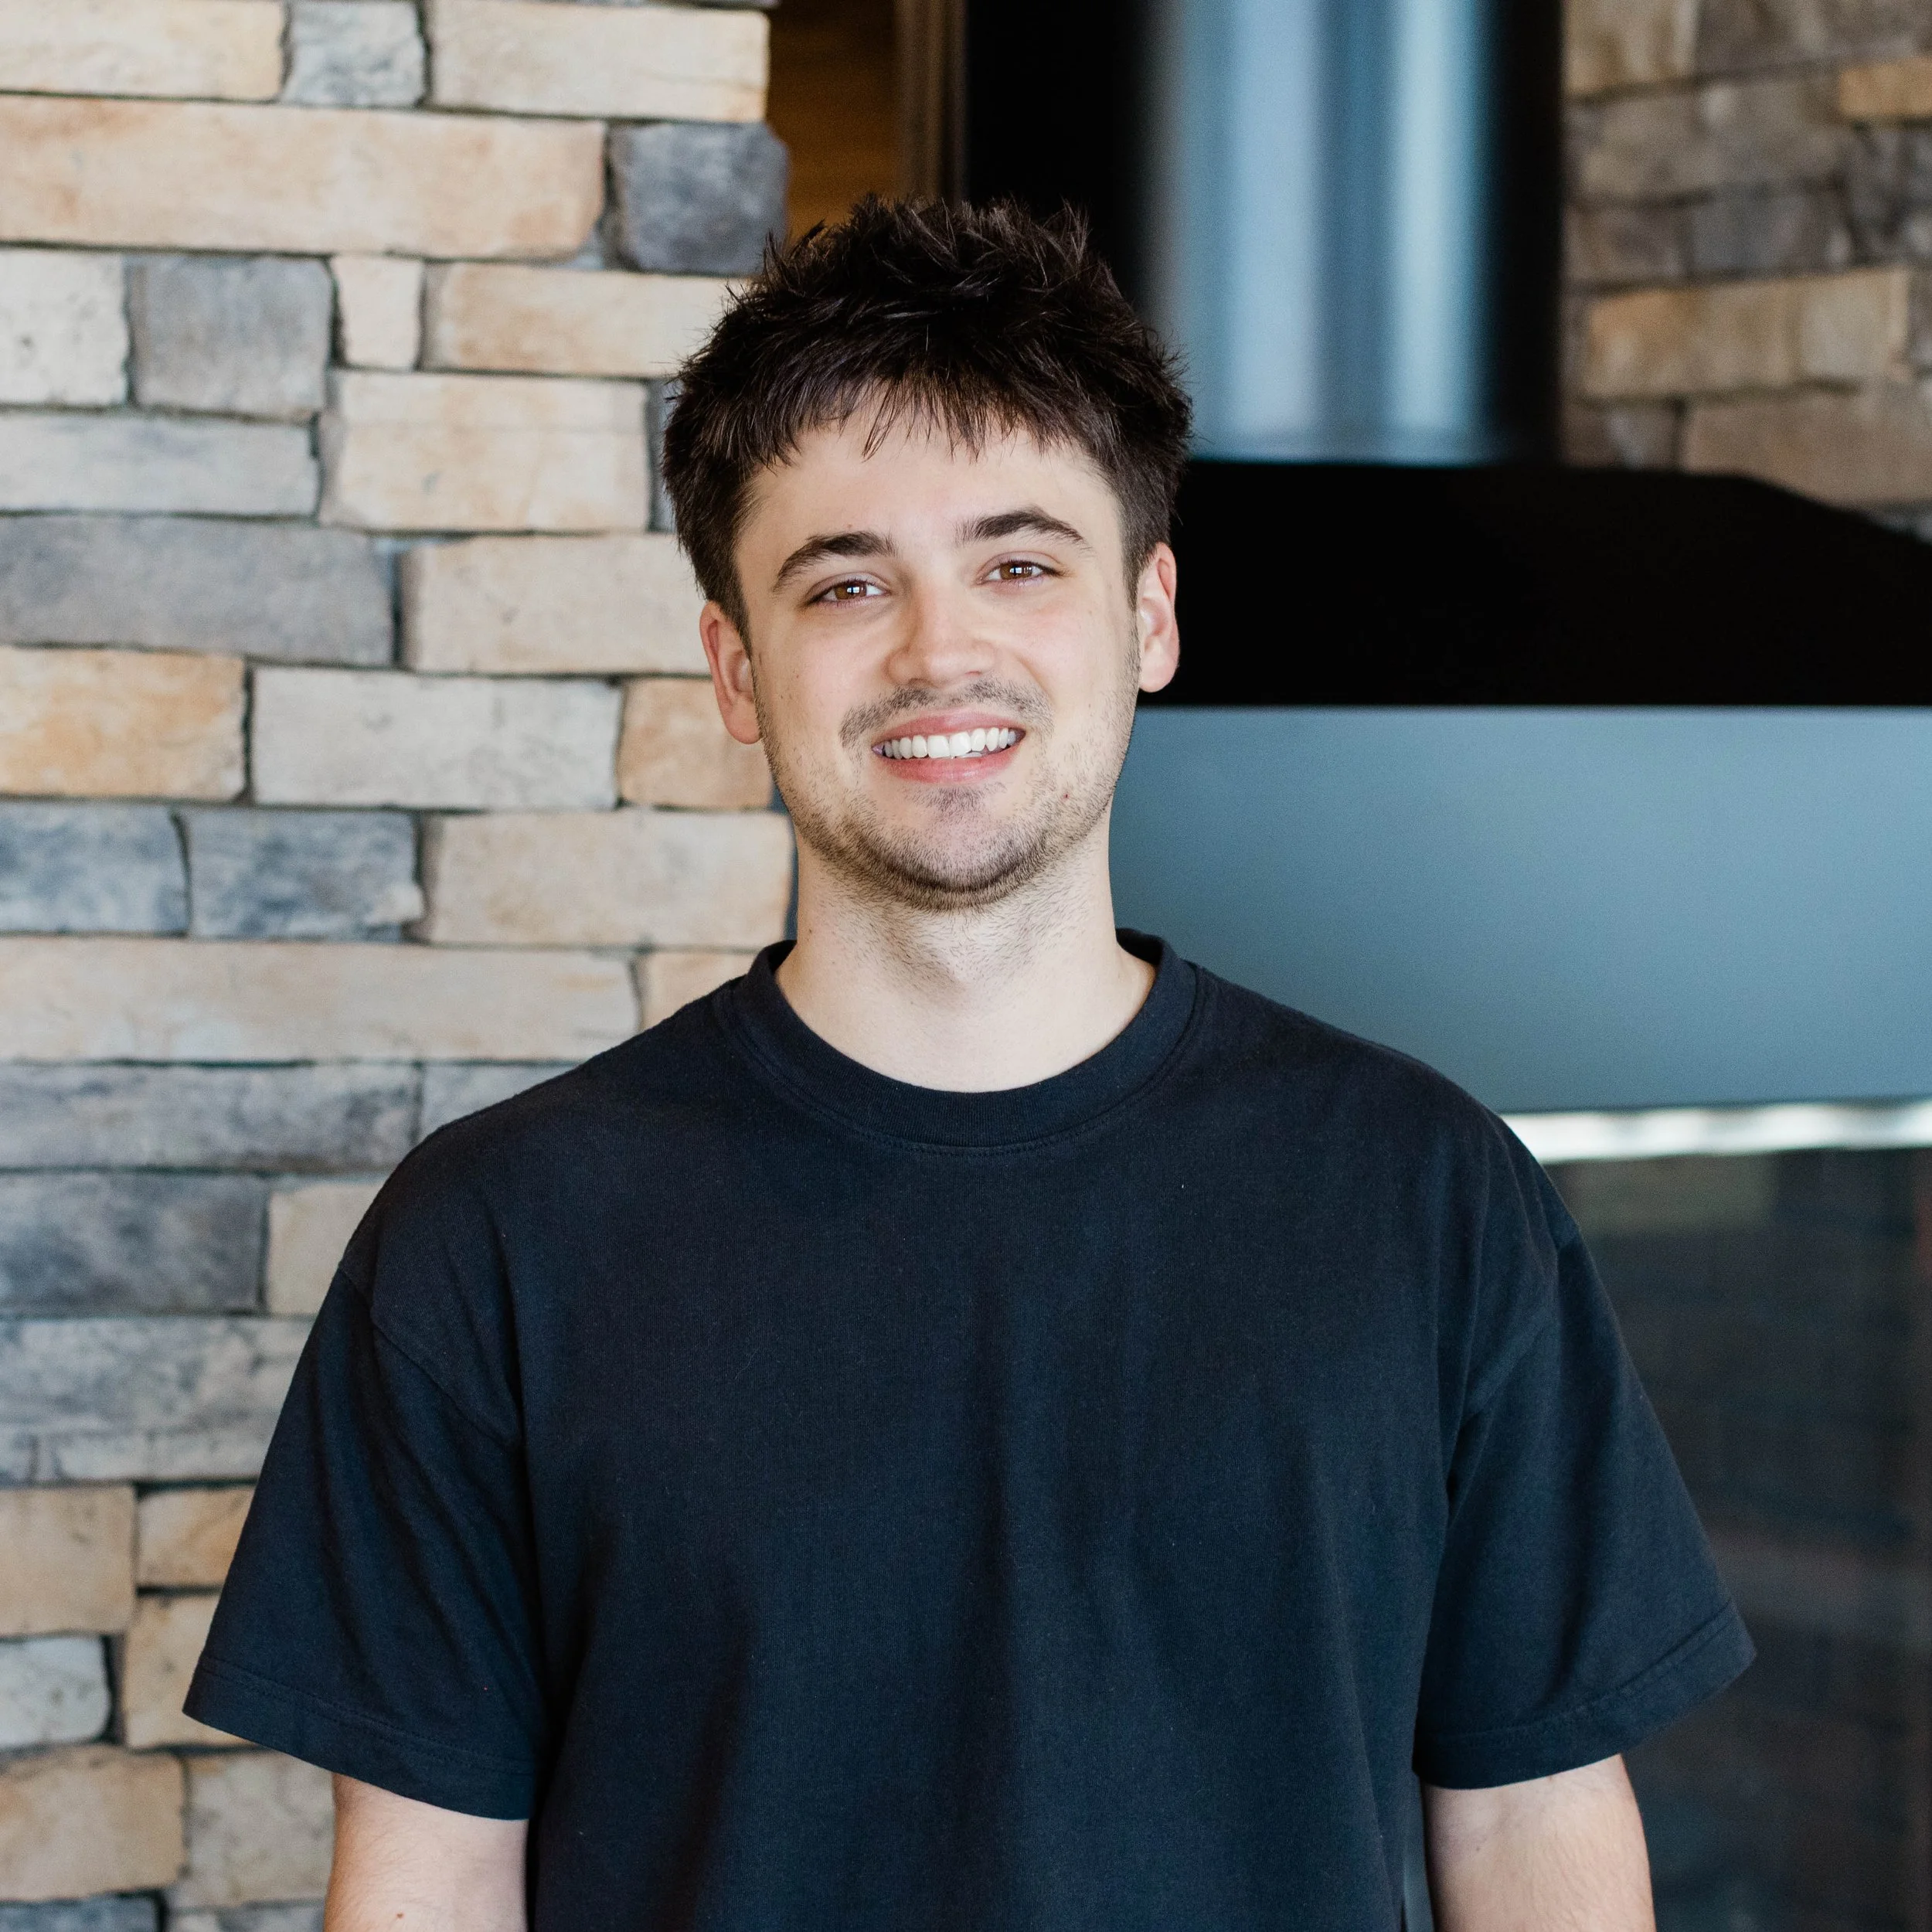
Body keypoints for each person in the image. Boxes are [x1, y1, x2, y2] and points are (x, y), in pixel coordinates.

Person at [189, 199, 1750, 1931]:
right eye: (845, 581)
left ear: (1147, 614)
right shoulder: (494, 1241)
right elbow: (426, 1887)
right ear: (733, 666)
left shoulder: (1428, 1197)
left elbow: (1535, 1837)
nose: (939, 650)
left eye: (1018, 562)